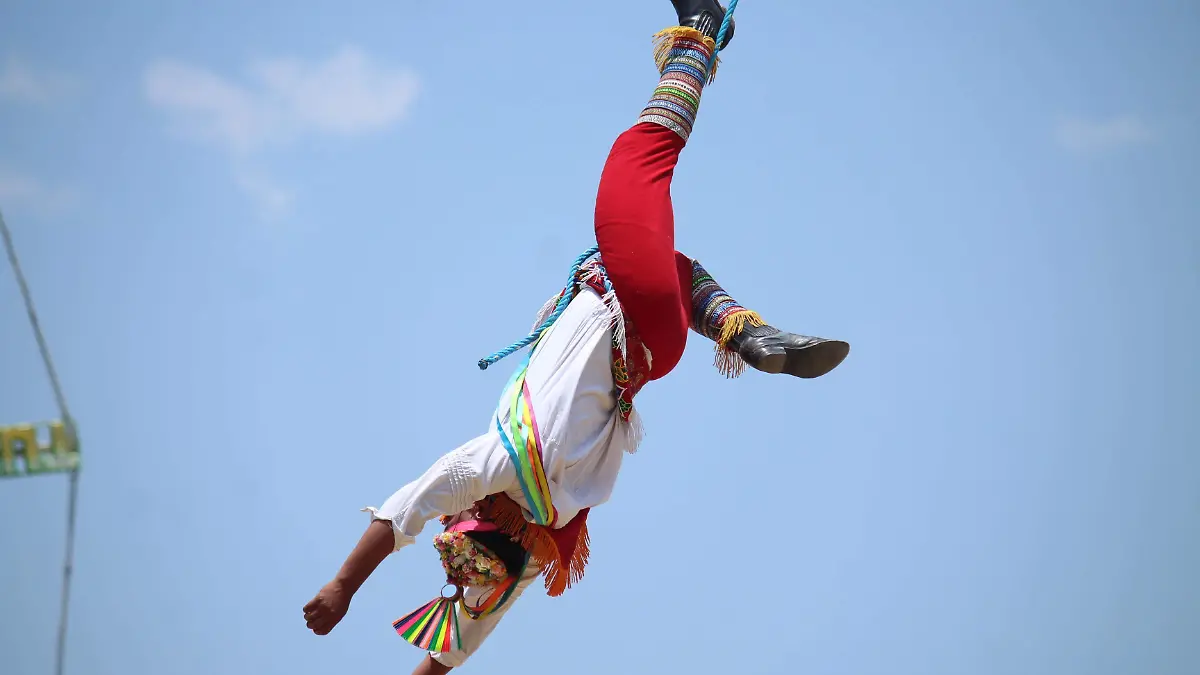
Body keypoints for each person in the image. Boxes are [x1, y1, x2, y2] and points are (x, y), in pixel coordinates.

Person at [303, 2, 850, 672]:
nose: (454, 515)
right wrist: (342, 587)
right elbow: (401, 513)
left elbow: (461, 642)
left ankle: (748, 334)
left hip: (655, 350)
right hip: (630, 307)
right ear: (478, 514)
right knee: (638, 159)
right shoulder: (494, 464)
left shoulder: (549, 532)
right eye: (460, 519)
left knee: (679, 267)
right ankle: (703, 31)